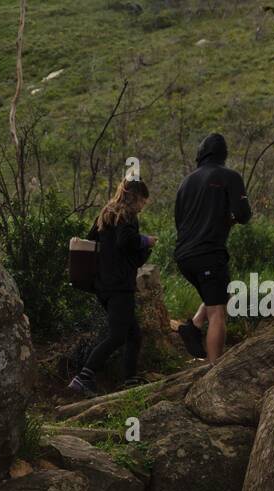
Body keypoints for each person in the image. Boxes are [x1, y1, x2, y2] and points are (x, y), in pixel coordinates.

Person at [68, 178, 156, 397]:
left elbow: (90, 241)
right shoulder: (127, 216)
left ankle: (129, 380)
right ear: (136, 197)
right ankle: (84, 377)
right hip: (119, 285)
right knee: (117, 335)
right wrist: (146, 241)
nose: (143, 207)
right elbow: (125, 241)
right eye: (143, 202)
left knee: (133, 333)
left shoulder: (106, 214)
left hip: (103, 284)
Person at [173, 132, 252, 362]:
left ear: (200, 154)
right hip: (208, 253)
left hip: (184, 256)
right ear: (223, 155)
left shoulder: (186, 182)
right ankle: (213, 368)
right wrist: (228, 218)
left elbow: (179, 220)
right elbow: (244, 214)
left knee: (219, 294)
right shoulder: (229, 176)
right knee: (218, 312)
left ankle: (194, 325)